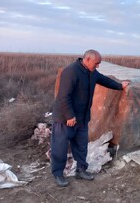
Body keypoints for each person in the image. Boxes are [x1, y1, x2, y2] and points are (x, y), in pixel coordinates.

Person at [51, 49, 130, 187]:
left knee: (81, 146)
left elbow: (104, 80)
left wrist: (120, 86)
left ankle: (81, 170)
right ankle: (58, 174)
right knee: (60, 147)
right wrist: (69, 116)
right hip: (65, 118)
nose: (98, 66)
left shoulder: (91, 72)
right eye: (96, 63)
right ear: (87, 59)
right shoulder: (71, 72)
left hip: (82, 118)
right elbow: (63, 97)